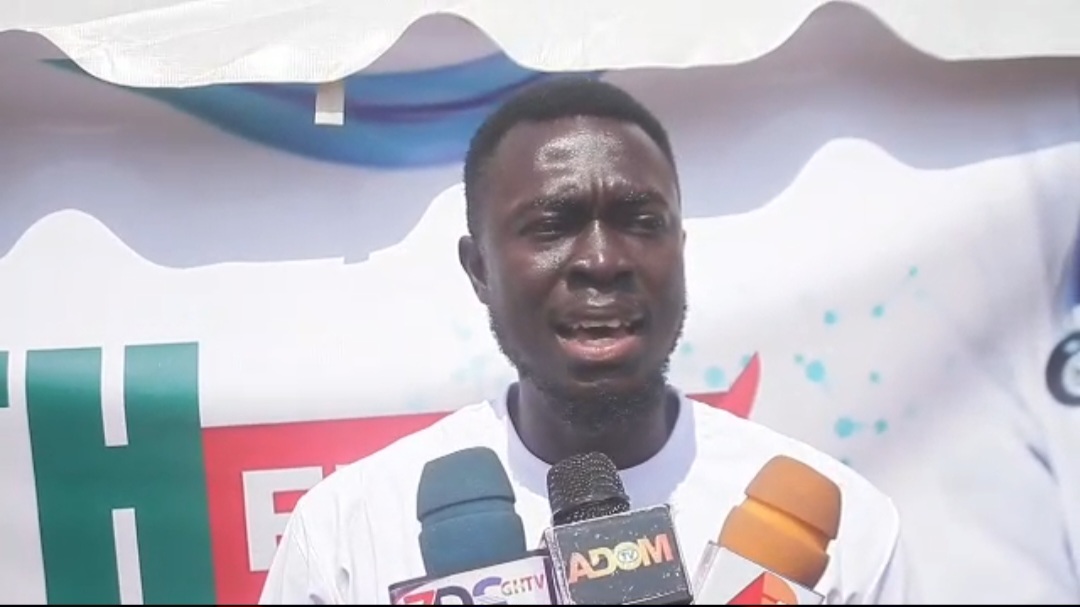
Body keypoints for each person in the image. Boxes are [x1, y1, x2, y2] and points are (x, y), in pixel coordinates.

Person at [258, 77, 914, 604]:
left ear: (680, 249)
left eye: (641, 221)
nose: (602, 260)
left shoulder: (844, 536)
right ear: (479, 269)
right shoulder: (349, 533)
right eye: (553, 225)